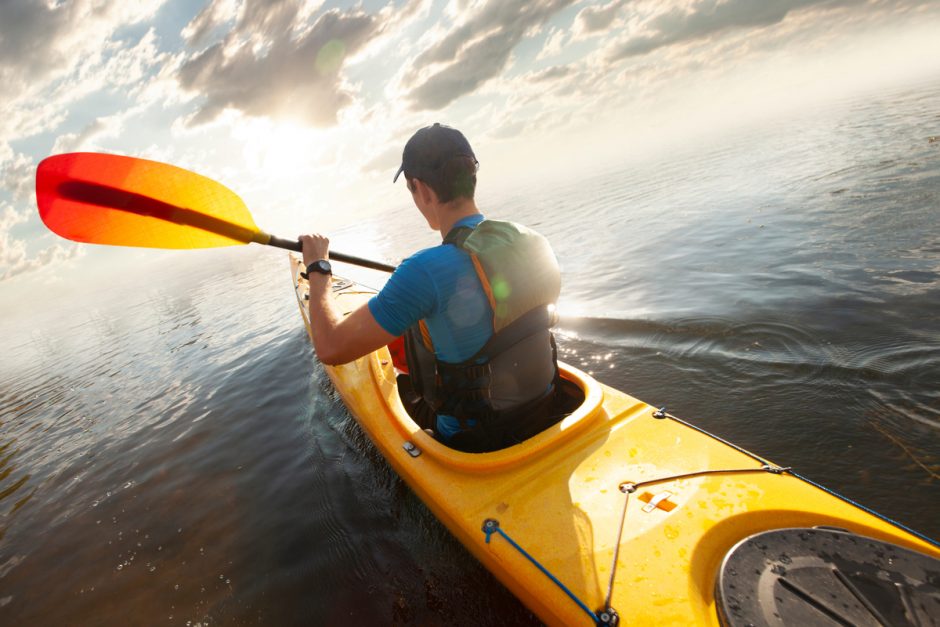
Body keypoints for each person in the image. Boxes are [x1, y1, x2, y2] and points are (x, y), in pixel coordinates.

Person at [300, 123, 562, 452]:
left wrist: (318, 268)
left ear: (421, 189)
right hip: (545, 408)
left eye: (411, 191)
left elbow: (330, 348)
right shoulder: (534, 241)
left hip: (475, 442)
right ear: (472, 178)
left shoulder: (423, 270)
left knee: (399, 379)